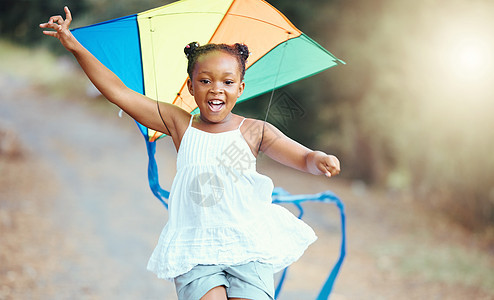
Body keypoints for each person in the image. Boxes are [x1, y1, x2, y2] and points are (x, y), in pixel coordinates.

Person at [40, 6, 341, 300]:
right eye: (205, 80)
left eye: (227, 82)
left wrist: (319, 160)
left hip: (249, 245)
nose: (216, 89)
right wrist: (74, 45)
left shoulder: (254, 131)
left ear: (241, 88)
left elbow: (302, 157)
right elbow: (119, 91)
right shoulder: (179, 123)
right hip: (196, 247)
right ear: (190, 86)